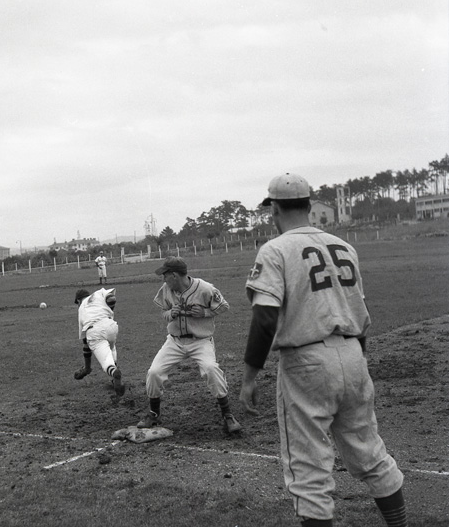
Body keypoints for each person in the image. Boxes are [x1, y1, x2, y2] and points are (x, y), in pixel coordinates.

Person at [239, 173, 407, 527]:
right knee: (370, 451)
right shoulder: (343, 246)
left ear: (274, 209)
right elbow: (359, 309)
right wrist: (356, 360)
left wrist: (249, 377)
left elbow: (265, 319)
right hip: (353, 352)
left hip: (306, 361)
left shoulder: (276, 249)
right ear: (308, 205)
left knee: (308, 468)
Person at [137, 257, 241, 433]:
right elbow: (164, 312)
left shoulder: (205, 288)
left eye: (165, 275)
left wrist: (205, 312)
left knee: (211, 369)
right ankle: (154, 414)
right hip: (175, 341)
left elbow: (224, 306)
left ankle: (228, 415)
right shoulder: (166, 289)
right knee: (154, 372)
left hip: (200, 341)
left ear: (175, 275)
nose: (163, 279)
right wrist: (170, 313)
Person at [73, 287, 125, 396]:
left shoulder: (81, 309)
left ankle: (114, 372)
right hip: (111, 325)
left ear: (78, 300)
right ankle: (114, 376)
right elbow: (111, 298)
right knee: (111, 348)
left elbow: (86, 344)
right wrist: (109, 310)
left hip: (94, 331)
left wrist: (87, 368)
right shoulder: (98, 294)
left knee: (106, 361)